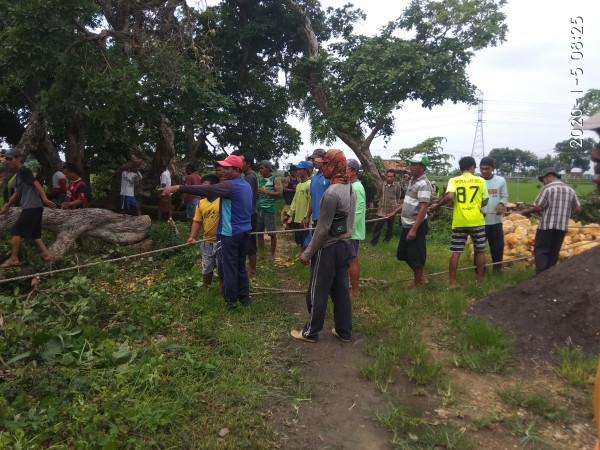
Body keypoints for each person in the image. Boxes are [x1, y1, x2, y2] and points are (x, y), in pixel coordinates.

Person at [162, 155, 252, 307]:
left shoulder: (230, 185)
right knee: (241, 266)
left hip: (230, 233)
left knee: (229, 268)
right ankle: (244, 299)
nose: (222, 171)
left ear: (236, 170)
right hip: (245, 231)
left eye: (226, 168)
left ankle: (231, 302)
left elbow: (206, 189)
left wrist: (178, 187)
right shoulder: (245, 185)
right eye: (221, 167)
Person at [290, 149, 356, 343]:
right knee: (341, 290)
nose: (322, 167)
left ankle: (310, 332)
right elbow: (349, 220)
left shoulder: (331, 193)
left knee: (317, 290)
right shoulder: (350, 189)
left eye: (326, 164)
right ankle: (344, 331)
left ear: (335, 166)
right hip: (344, 245)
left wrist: (307, 253)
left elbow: (322, 229)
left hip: (327, 248)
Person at [430, 156, 488, 287]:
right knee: (480, 251)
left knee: (456, 251)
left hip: (460, 221)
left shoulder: (454, 180)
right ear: (472, 167)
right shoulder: (480, 181)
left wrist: (438, 205)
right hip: (477, 221)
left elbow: (450, 196)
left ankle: (452, 281)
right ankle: (479, 281)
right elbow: (485, 201)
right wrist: (477, 206)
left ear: (461, 168)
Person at [0, 149, 56, 267]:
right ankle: (47, 255)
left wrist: (45, 199)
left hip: (31, 207)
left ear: (19, 159)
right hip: (34, 207)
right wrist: (6, 208)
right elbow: (15, 194)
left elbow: (37, 184)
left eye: (11, 159)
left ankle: (14, 258)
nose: (8, 161)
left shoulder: (24, 171)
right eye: (7, 159)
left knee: (16, 231)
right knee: (35, 234)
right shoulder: (18, 175)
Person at [521, 167, 581, 275]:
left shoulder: (548, 188)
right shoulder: (570, 190)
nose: (544, 182)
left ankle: (540, 277)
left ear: (549, 177)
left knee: (541, 251)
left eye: (543, 180)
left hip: (546, 226)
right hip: (561, 227)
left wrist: (528, 211)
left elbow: (538, 207)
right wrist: (566, 216)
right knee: (554, 252)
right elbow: (577, 208)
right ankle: (550, 278)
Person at [387, 154, 432, 287]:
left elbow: (424, 207)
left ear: (423, 167)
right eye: (411, 164)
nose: (411, 167)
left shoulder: (424, 184)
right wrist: (394, 212)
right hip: (407, 224)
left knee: (416, 256)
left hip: (416, 225)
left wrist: (414, 229)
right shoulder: (412, 181)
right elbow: (407, 201)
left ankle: (417, 283)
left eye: (415, 164)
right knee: (403, 253)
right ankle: (421, 277)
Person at [187, 174, 220, 288]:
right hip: (207, 242)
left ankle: (223, 291)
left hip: (222, 241)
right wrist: (192, 237)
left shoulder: (223, 201)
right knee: (206, 267)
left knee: (223, 268)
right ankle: (207, 288)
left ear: (215, 187)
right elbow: (197, 222)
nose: (203, 190)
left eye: (206, 187)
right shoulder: (201, 203)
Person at [477, 156, 508, 272]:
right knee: (479, 248)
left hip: (496, 221)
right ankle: (480, 271)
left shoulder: (500, 181)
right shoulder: (477, 181)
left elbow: (505, 196)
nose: (484, 171)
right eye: (482, 168)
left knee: (498, 247)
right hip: (480, 222)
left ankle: (497, 269)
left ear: (493, 168)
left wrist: (501, 204)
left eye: (487, 169)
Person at [283, 161, 312, 253]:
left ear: (306, 171)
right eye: (297, 169)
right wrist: (288, 215)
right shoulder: (299, 185)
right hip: (298, 219)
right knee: (300, 242)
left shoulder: (310, 184)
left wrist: (306, 217)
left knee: (307, 243)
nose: (297, 171)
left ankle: (307, 261)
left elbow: (311, 203)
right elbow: (294, 202)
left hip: (306, 220)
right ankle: (303, 261)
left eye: (300, 169)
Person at [347, 159, 365, 298]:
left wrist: (349, 229)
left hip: (351, 232)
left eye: (346, 168)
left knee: (352, 259)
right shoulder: (350, 185)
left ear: (354, 171)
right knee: (347, 259)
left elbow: (358, 211)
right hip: (347, 231)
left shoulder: (357, 187)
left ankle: (355, 290)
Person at [256, 160, 282, 259]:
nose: (260, 170)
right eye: (260, 168)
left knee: (272, 234)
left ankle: (272, 254)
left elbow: (279, 193)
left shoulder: (274, 179)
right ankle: (261, 253)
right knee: (259, 232)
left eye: (262, 168)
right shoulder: (261, 179)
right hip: (259, 209)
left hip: (269, 210)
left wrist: (265, 192)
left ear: (268, 168)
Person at [370, 169, 402, 246]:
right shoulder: (381, 185)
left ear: (394, 177)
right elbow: (378, 195)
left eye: (391, 177)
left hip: (392, 210)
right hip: (382, 210)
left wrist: (396, 206)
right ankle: (374, 242)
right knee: (378, 226)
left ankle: (387, 240)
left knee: (390, 227)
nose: (389, 178)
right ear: (385, 177)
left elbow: (398, 197)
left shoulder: (397, 186)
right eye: (388, 176)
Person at [240, 153, 258, 276]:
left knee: (250, 241)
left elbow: (248, 197)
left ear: (248, 164)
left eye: (241, 162)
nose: (239, 164)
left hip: (250, 214)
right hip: (247, 213)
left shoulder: (250, 178)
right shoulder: (246, 177)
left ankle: (252, 269)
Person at [303, 148, 330, 230]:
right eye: (313, 159)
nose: (314, 161)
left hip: (327, 218)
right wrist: (307, 216)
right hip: (316, 218)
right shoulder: (313, 179)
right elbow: (312, 198)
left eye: (315, 159)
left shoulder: (330, 177)